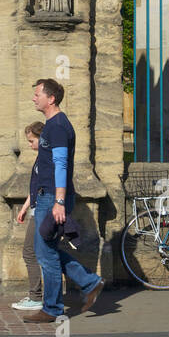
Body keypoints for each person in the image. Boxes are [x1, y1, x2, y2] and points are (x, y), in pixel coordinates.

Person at [22, 78, 104, 323]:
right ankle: (90, 283)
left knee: (45, 253)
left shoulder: (58, 126)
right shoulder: (51, 125)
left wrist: (58, 201)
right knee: (46, 250)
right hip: (48, 197)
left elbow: (61, 163)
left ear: (51, 98)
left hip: (52, 198)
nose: (34, 98)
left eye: (38, 94)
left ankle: (53, 308)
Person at [10, 121, 47, 311]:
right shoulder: (40, 159)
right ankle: (88, 282)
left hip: (42, 211)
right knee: (45, 253)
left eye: (32, 140)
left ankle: (35, 296)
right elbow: (35, 188)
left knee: (30, 252)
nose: (30, 144)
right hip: (36, 209)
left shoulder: (45, 159)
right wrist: (24, 208)